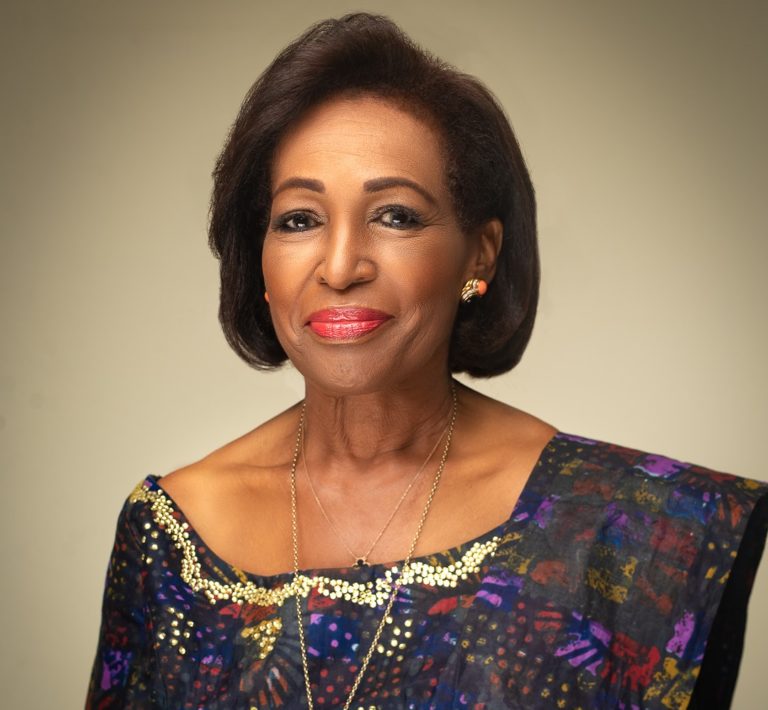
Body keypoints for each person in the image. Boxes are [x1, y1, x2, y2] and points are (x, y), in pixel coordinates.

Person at [86, 13, 767, 709]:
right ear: (260, 263)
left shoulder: (641, 531)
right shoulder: (170, 535)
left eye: (396, 216)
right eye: (299, 220)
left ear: (480, 255)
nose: (341, 267)